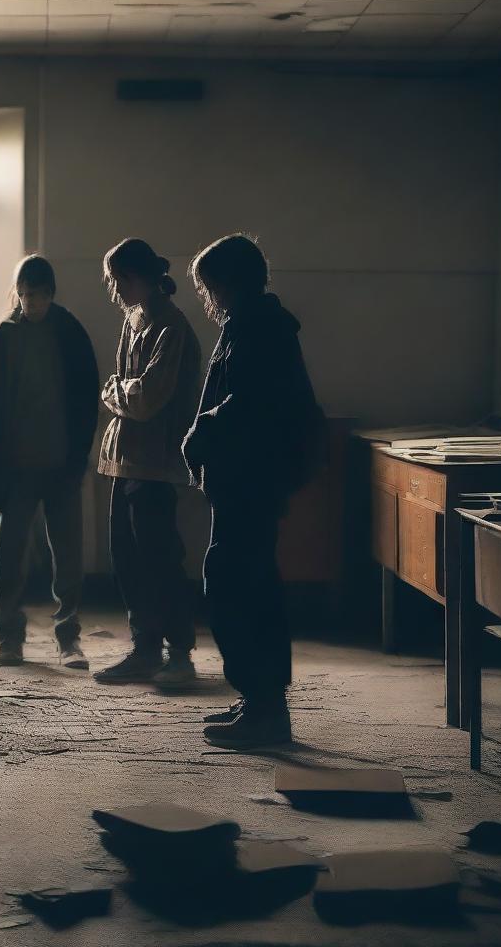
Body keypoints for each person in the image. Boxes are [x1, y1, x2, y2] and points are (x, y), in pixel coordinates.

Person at [182, 235, 325, 750]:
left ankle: (266, 708)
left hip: (250, 479)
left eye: (211, 287)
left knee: (239, 584)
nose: (209, 299)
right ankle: (260, 700)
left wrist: (201, 435)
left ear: (229, 283)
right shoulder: (251, 325)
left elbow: (247, 404)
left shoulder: (259, 329)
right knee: (243, 582)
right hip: (244, 478)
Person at [0, 255, 99, 669]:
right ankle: (9, 636)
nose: (31, 303)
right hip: (16, 468)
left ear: (51, 294)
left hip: (61, 463)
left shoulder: (69, 333)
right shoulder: (3, 338)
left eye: (39, 296)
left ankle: (68, 638)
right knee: (8, 556)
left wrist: (78, 458)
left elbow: (87, 401)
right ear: (18, 294)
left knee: (68, 555)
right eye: (26, 295)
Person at [93, 238, 202, 688]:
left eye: (121, 281)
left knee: (159, 558)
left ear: (143, 279)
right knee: (127, 558)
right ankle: (145, 649)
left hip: (155, 461)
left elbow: (143, 400)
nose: (116, 291)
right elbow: (126, 390)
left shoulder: (171, 328)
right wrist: (122, 391)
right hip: (124, 459)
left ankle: (179, 655)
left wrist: (114, 392)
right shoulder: (132, 320)